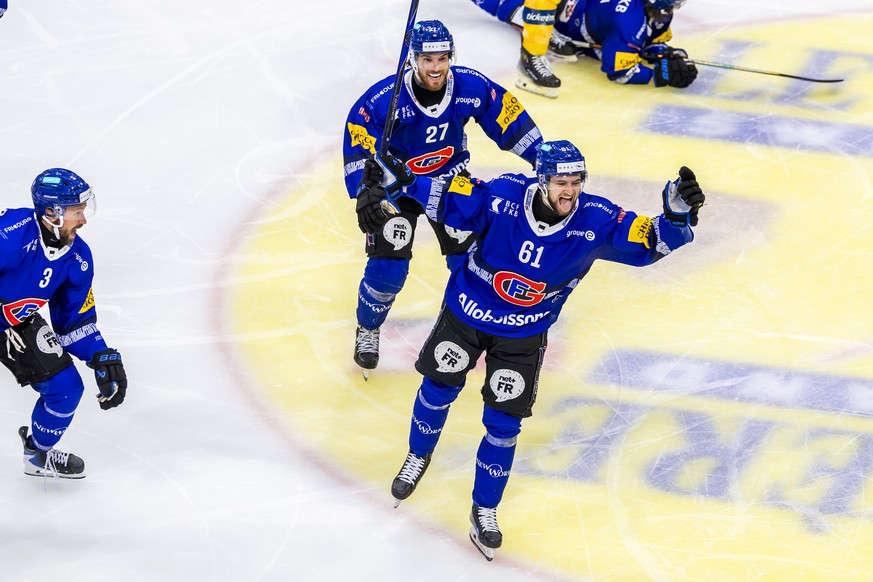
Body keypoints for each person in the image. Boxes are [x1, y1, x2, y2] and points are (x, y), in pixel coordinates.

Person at [355, 140, 704, 560]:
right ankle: (417, 456)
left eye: (576, 182)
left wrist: (676, 214)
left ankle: (484, 508)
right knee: (437, 389)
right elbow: (445, 196)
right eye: (560, 182)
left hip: (522, 336)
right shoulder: (502, 196)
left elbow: (651, 242)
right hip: (465, 315)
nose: (569, 191)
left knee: (503, 426)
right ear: (541, 180)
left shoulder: (597, 219)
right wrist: (397, 180)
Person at [343, 19, 544, 377]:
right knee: (387, 269)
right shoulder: (383, 99)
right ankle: (368, 329)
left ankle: (465, 334)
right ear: (413, 60)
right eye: (427, 59)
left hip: (450, 183)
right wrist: (365, 190)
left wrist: (542, 162)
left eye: (441, 58)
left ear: (450, 57)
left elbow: (507, 116)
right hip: (399, 186)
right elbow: (359, 136)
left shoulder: (470, 85)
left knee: (470, 268)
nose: (435, 67)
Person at [1, 168, 128, 479]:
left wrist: (100, 354)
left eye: (83, 210)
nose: (83, 220)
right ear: (50, 212)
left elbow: (73, 322)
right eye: (76, 212)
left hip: (14, 324)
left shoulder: (78, 258)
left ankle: (37, 455)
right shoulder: (9, 236)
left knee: (66, 389)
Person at [470, 0, 698, 94]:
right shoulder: (629, 22)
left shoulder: (648, 14)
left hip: (576, 11)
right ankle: (532, 56)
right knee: (521, 9)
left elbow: (652, 41)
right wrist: (660, 74)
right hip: (562, 14)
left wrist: (668, 53)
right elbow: (619, 71)